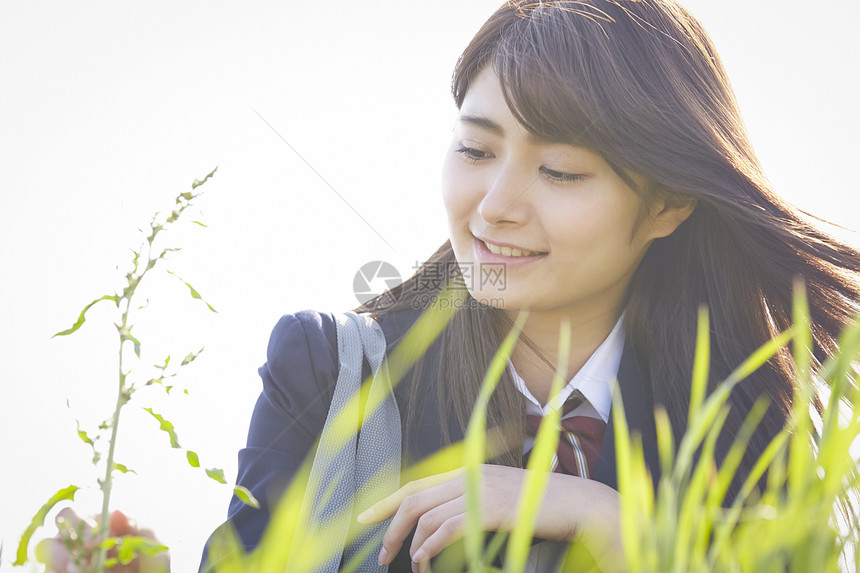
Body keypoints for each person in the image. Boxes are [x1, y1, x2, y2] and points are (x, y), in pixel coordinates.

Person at [43, 0, 860, 571]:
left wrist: (607, 522)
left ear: (669, 204)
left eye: (561, 170)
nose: (495, 207)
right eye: (475, 150)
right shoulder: (331, 375)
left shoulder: (748, 416)